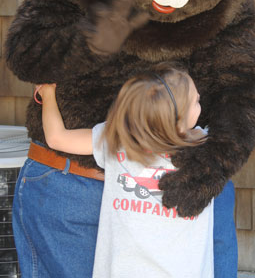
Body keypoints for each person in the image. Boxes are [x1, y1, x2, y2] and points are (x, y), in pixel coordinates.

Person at [37, 66, 214, 278]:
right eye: (196, 101)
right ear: (178, 118)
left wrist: (47, 93)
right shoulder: (207, 148)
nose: (200, 100)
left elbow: (57, 138)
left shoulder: (117, 139)